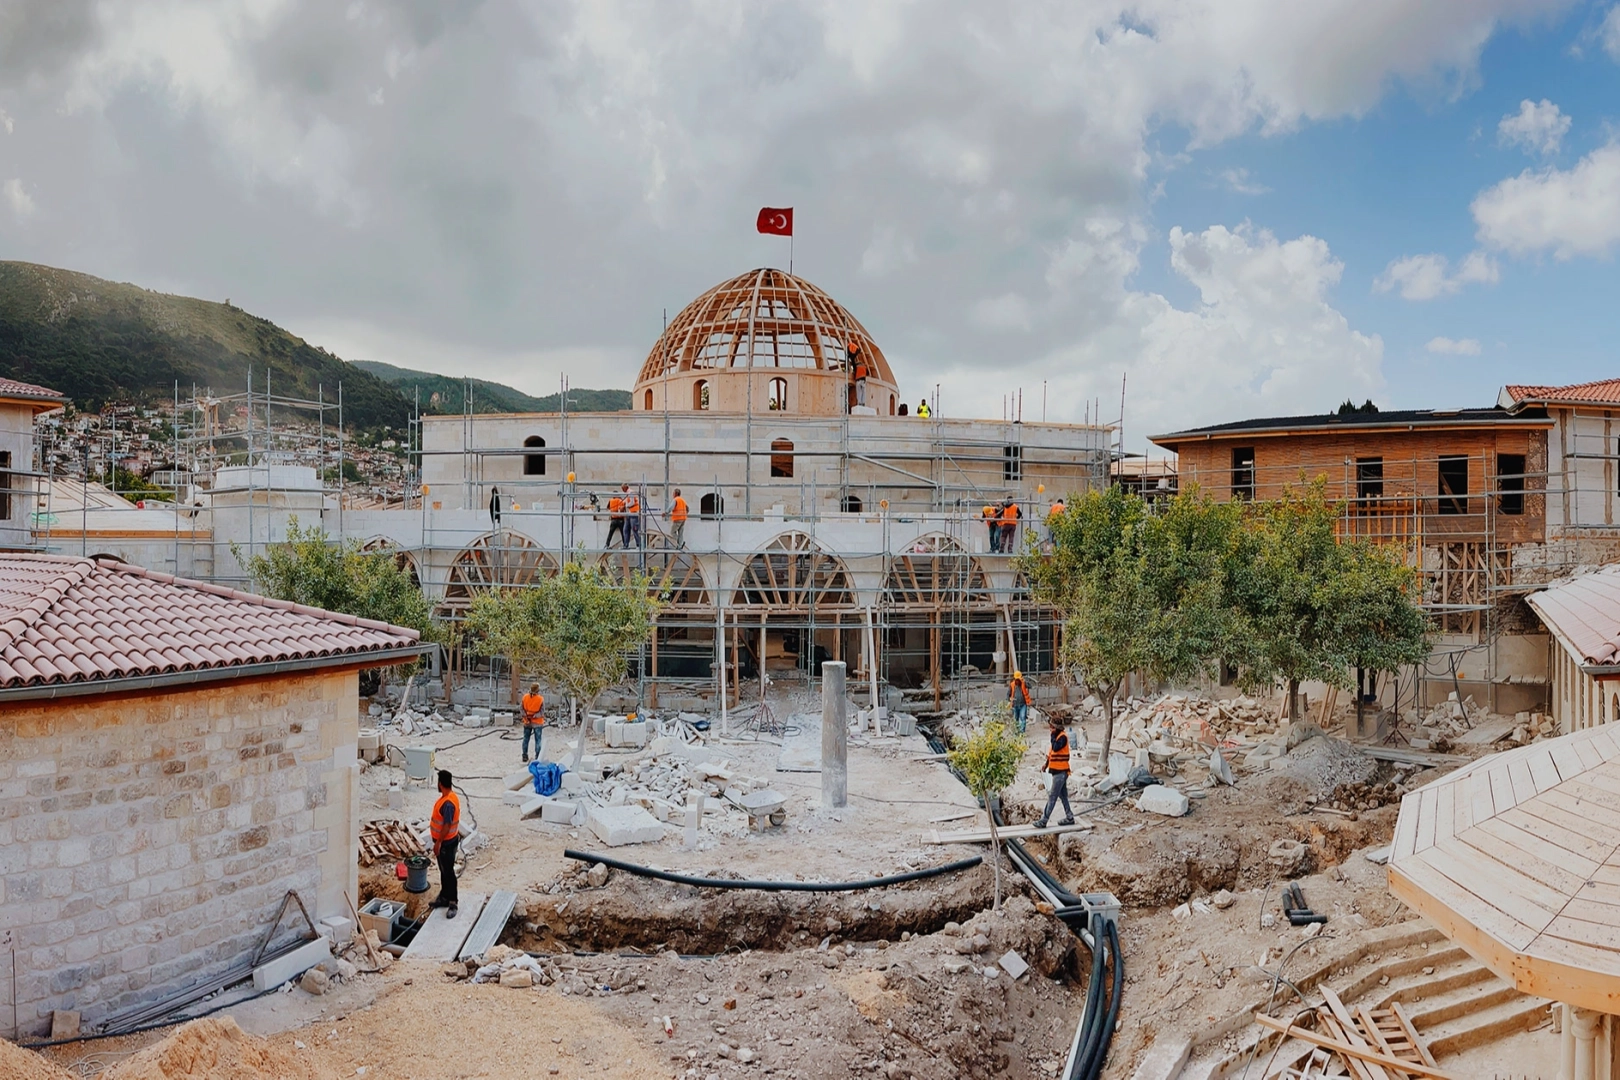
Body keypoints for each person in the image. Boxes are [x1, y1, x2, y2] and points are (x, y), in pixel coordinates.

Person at [431, 770, 461, 919]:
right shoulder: (449, 797)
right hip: (447, 842)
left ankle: (453, 902)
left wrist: (438, 843)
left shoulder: (448, 803)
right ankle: (444, 896)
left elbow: (447, 825)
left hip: (446, 844)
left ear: (441, 784)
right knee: (444, 870)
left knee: (448, 872)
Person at [1036, 718, 1075, 829]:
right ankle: (1069, 817)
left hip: (1061, 772)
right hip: (1057, 771)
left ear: (1056, 728)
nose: (1050, 730)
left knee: (1052, 796)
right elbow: (1051, 754)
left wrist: (1052, 735)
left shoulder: (1062, 737)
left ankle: (1044, 820)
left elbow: (1056, 747)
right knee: (1063, 796)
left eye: (1052, 727)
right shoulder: (1056, 737)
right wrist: (1046, 764)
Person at [520, 683, 545, 763]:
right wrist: (535, 716)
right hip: (537, 722)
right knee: (538, 740)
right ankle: (537, 757)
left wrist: (526, 716)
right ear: (538, 690)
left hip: (527, 721)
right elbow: (542, 712)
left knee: (526, 739)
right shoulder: (540, 699)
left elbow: (521, 709)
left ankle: (524, 756)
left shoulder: (525, 697)